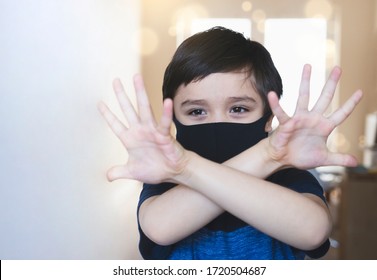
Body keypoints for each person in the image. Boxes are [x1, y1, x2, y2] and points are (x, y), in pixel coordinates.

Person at [98, 27, 363, 259]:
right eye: (196, 112)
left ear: (268, 119)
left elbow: (312, 231)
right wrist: (267, 155)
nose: (217, 123)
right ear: (175, 120)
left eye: (238, 109)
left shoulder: (288, 174)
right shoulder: (167, 175)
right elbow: (160, 228)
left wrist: (274, 158)